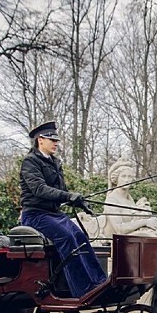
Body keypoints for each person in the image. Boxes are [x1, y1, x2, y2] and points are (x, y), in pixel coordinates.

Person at [19, 120, 107, 297]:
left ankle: (100, 283)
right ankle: (83, 291)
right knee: (66, 238)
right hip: (35, 215)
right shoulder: (30, 162)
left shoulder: (55, 162)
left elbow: (60, 191)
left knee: (81, 237)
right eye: (52, 140)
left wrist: (78, 201)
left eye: (56, 140)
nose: (56, 143)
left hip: (53, 214)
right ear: (40, 140)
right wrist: (68, 196)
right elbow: (39, 189)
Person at [101, 159, 157, 239]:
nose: (127, 180)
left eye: (130, 177)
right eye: (123, 176)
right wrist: (145, 222)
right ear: (116, 179)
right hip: (116, 241)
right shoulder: (112, 200)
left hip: (128, 239)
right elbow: (119, 230)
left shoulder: (130, 200)